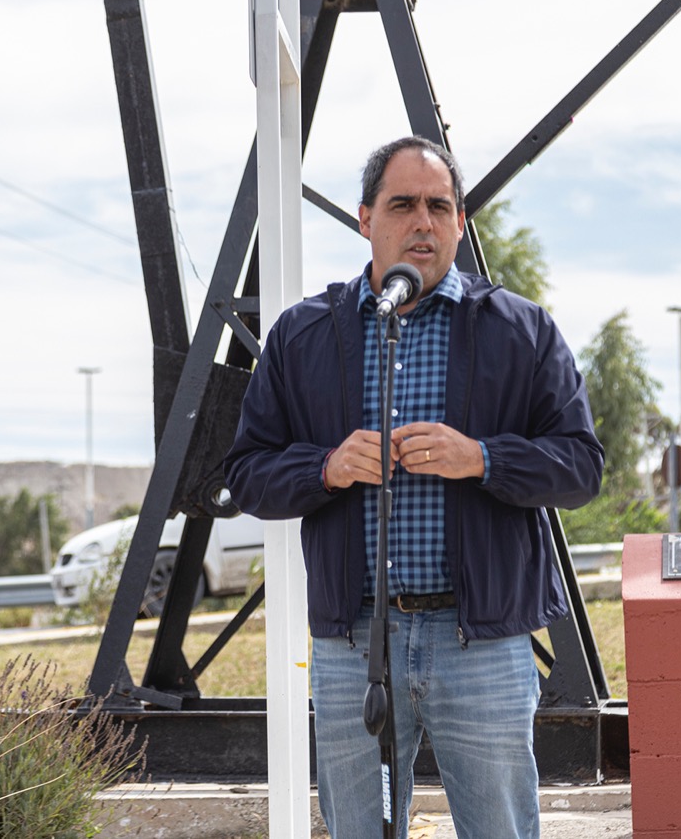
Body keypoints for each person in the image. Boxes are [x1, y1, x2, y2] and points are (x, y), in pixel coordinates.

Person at [224, 136, 604, 839]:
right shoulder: (303, 336)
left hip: (483, 645)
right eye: (402, 205)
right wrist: (326, 468)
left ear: (459, 222)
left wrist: (482, 458)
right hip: (352, 648)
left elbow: (581, 467)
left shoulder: (522, 331)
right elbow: (246, 474)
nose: (423, 223)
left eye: (439, 206)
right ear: (365, 219)